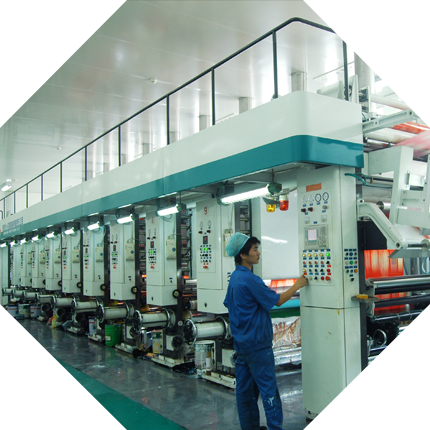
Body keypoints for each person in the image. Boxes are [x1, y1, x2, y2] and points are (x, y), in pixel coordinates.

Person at [223, 232, 308, 430]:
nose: (258, 253)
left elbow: (230, 304)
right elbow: (277, 301)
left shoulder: (234, 278)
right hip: (258, 346)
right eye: (255, 249)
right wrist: (297, 284)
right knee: (268, 391)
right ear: (243, 255)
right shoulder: (250, 279)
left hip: (242, 345)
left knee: (245, 393)